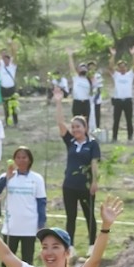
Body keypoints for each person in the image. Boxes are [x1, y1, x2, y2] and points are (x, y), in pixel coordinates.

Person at [0, 148, 47, 267]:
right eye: (18, 157)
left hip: (29, 225)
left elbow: (41, 201)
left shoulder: (36, 179)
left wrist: (41, 223)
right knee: (7, 257)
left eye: (24, 157)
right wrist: (6, 178)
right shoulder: (7, 176)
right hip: (11, 225)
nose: (21, 160)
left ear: (30, 160)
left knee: (27, 257)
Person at [54, 88, 101, 252]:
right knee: (71, 216)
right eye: (73, 127)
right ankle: (71, 246)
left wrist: (94, 181)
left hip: (86, 186)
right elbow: (60, 124)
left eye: (78, 127)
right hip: (69, 185)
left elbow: (95, 163)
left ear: (85, 128)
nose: (75, 130)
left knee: (89, 215)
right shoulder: (71, 142)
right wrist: (58, 102)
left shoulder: (92, 144)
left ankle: (92, 245)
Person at [108, 46, 134, 141]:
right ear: (118, 68)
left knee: (129, 120)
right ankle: (114, 137)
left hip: (128, 100)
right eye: (120, 67)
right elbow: (110, 67)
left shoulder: (130, 75)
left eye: (124, 67)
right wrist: (113, 55)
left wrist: (133, 55)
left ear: (126, 68)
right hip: (118, 101)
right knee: (116, 120)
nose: (122, 68)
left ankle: (130, 136)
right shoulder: (116, 75)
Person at [0, 44, 18, 126]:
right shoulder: (1, 66)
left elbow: (15, 56)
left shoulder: (12, 66)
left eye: (7, 59)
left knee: (13, 105)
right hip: (3, 88)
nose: (5, 61)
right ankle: (7, 122)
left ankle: (15, 121)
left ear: (9, 59)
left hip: (12, 88)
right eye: (4, 59)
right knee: (5, 106)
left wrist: (12, 46)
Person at [68, 51, 93, 120]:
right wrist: (70, 56)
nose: (83, 68)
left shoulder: (89, 80)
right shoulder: (76, 77)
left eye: (84, 67)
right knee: (76, 120)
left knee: (86, 121)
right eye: (81, 67)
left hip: (86, 103)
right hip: (77, 102)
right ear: (78, 70)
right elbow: (71, 67)